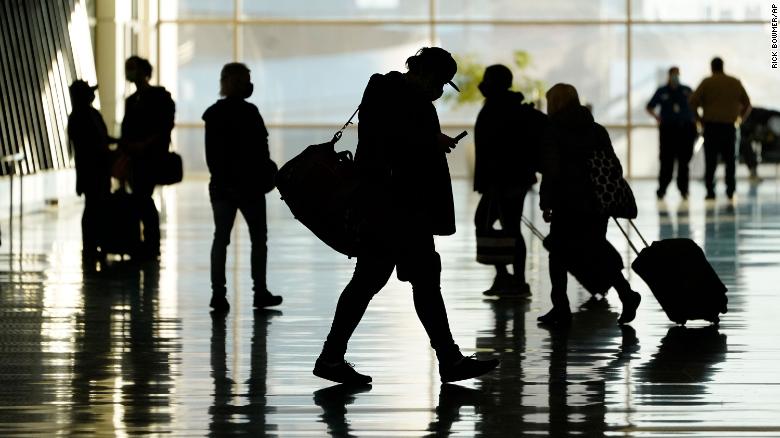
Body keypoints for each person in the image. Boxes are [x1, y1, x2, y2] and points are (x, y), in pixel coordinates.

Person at [313, 47, 500, 385]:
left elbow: (389, 141)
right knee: (417, 281)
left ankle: (333, 357)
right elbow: (400, 147)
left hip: (385, 205)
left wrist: (430, 139)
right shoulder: (405, 101)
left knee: (379, 281)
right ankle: (448, 359)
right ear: (426, 74)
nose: (441, 91)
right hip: (400, 207)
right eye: (441, 82)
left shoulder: (384, 95)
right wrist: (430, 142)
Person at [538, 83, 641, 326]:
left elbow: (550, 170)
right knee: (595, 249)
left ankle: (561, 307)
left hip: (568, 202)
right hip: (596, 202)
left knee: (558, 253)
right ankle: (626, 294)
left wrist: (546, 202)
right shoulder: (596, 129)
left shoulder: (553, 130)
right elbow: (614, 166)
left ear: (555, 103)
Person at [203, 63, 282, 312]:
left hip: (224, 189)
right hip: (251, 188)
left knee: (221, 239)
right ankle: (259, 292)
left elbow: (213, 158)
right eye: (245, 80)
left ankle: (219, 295)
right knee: (259, 240)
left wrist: (226, 183)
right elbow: (262, 151)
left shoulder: (213, 114)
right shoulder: (250, 113)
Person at [473, 64, 547, 296]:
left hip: (505, 181)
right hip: (511, 179)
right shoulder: (509, 106)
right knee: (507, 226)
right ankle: (509, 278)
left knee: (505, 226)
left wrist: (492, 182)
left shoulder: (501, 108)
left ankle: (513, 280)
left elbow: (498, 150)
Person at [120, 56, 175, 259]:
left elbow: (163, 127)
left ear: (143, 71)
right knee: (140, 199)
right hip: (135, 158)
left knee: (142, 198)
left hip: (149, 158)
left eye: (132, 68)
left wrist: (144, 144)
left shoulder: (158, 97)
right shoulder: (132, 100)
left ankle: (149, 245)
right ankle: (144, 243)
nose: (129, 72)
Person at [689, 57, 752, 200]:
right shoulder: (735, 82)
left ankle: (710, 191)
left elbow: (692, 103)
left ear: (711, 67)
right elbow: (748, 104)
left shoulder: (707, 83)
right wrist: (740, 119)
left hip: (711, 127)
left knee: (711, 161)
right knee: (731, 161)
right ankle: (730, 190)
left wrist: (699, 120)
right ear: (723, 66)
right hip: (730, 127)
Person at [67, 80, 115, 259]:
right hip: (92, 170)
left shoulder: (86, 114)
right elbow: (93, 143)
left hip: (96, 169)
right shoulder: (82, 116)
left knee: (95, 206)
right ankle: (91, 244)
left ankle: (95, 243)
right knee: (93, 207)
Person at [646, 67, 697, 200]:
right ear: (669, 76)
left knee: (684, 162)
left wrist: (695, 122)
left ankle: (684, 190)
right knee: (666, 161)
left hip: (685, 130)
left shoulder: (686, 90)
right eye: (673, 75)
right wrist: (658, 118)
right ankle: (662, 189)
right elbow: (649, 106)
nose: (675, 77)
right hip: (668, 130)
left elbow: (696, 106)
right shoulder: (662, 91)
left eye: (677, 75)